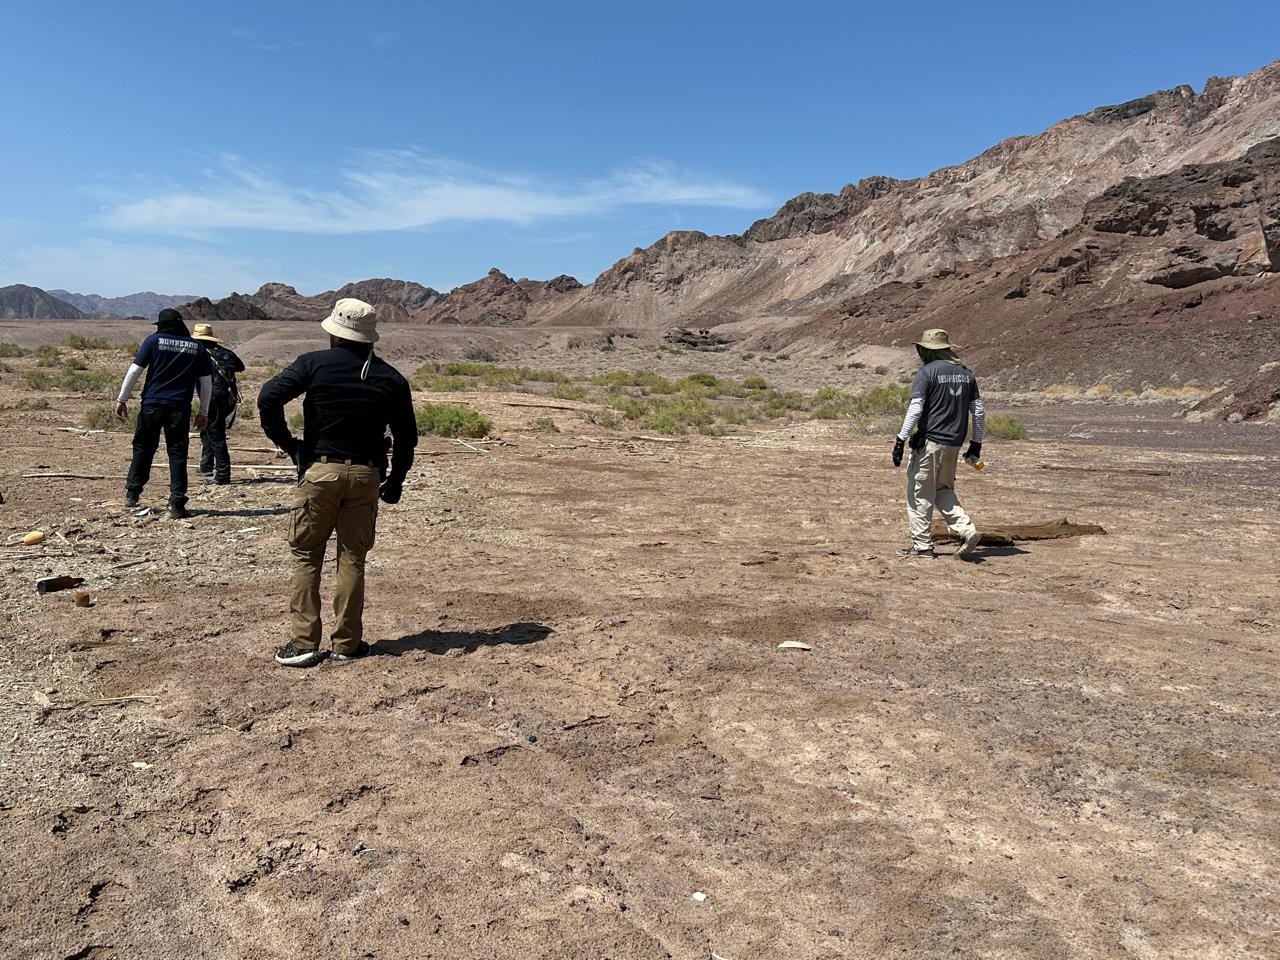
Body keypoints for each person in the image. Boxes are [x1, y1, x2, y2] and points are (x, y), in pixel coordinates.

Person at [257, 298, 417, 667]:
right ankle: (347, 644)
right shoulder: (391, 378)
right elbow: (406, 438)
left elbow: (268, 397)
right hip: (365, 476)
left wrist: (290, 445)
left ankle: (303, 643)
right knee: (352, 558)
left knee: (306, 556)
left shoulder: (313, 363)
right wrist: (396, 480)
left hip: (320, 471)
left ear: (335, 334)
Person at [891, 328, 984, 560]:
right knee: (943, 490)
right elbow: (978, 411)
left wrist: (901, 439)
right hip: (954, 445)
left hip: (930, 444)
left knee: (919, 494)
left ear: (930, 350)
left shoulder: (927, 372)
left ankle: (923, 547)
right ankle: (967, 530)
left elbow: (916, 408)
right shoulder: (966, 373)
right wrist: (976, 443)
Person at [115, 308, 211, 519]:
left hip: (152, 404)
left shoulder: (153, 340)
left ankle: (132, 493)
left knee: (143, 448)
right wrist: (203, 411)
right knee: (177, 453)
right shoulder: (198, 347)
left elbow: (135, 370)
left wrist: (122, 399)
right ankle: (177, 503)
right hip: (179, 407)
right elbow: (206, 382)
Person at [192, 323, 245, 485]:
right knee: (209, 430)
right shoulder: (227, 353)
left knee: (216, 435)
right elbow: (240, 367)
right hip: (228, 398)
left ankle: (223, 474)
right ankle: (206, 465)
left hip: (212, 398)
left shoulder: (199, 354)